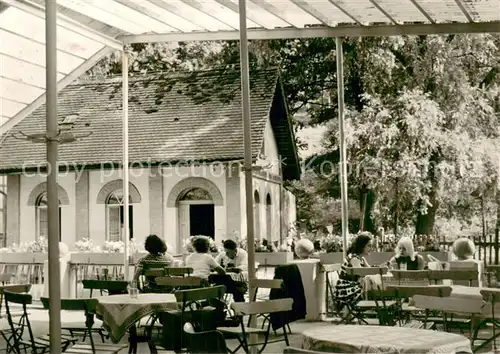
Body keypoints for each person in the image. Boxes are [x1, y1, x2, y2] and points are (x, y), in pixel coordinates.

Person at [334, 233, 372, 314]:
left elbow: (370, 271)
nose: (371, 248)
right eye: (369, 245)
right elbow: (362, 273)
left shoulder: (361, 259)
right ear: (362, 246)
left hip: (352, 287)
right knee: (373, 290)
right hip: (347, 290)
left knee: (372, 286)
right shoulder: (354, 258)